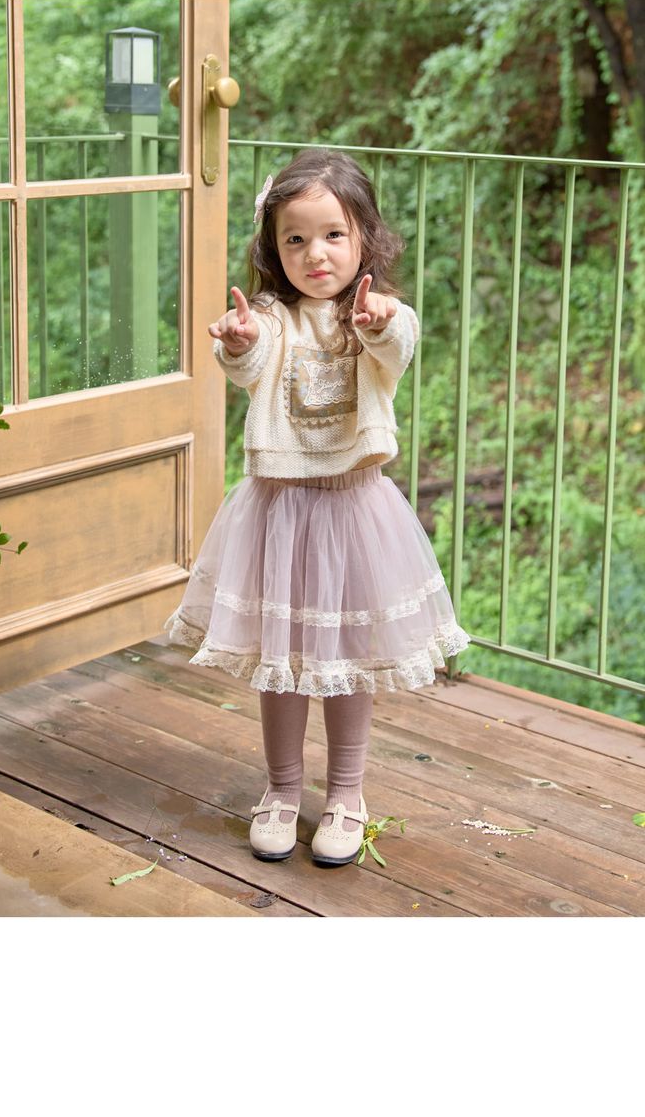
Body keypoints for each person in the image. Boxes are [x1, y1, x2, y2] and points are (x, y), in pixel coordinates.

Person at [165, 131, 464, 862]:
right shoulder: (272, 316)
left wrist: (380, 322)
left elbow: (398, 343)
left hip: (354, 510)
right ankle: (281, 788)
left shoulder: (377, 314)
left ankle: (347, 793)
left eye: (333, 234)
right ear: (274, 247)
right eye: (295, 239)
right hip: (279, 513)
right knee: (283, 656)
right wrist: (238, 340)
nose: (315, 254)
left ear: (365, 238)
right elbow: (247, 360)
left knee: (347, 656)